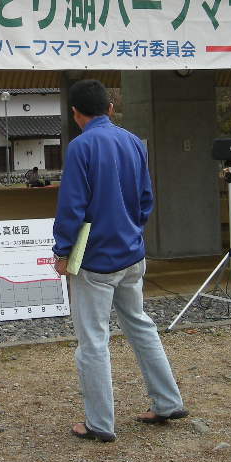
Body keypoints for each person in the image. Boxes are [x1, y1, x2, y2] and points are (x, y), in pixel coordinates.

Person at [52, 80, 186, 442]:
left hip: (95, 259)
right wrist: (132, 231)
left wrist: (62, 252)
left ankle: (99, 422)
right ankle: (168, 401)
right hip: (132, 254)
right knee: (141, 326)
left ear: (75, 113)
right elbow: (145, 199)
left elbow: (72, 207)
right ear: (110, 108)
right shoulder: (133, 142)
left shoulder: (81, 147)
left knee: (93, 341)